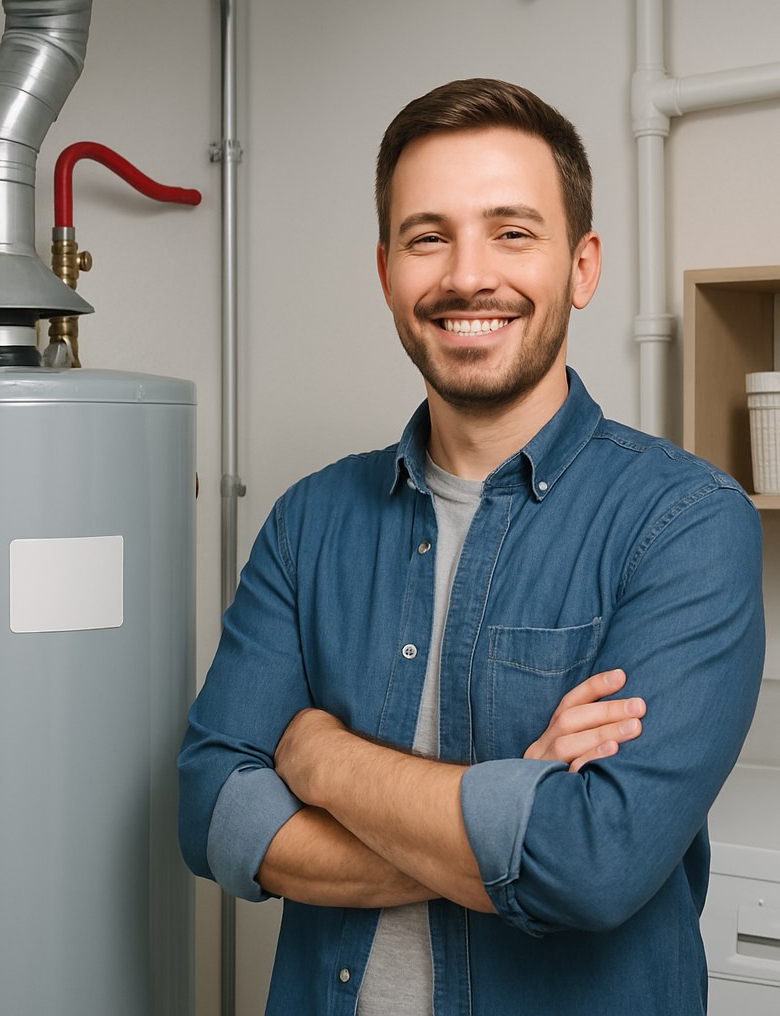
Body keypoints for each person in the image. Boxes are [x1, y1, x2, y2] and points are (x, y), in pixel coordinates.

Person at [177, 78, 765, 1016]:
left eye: (512, 231)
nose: (466, 275)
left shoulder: (686, 522)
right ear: (386, 273)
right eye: (428, 236)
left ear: (582, 266)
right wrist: (506, 818)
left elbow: (591, 864)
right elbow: (211, 813)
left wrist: (318, 757)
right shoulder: (309, 522)